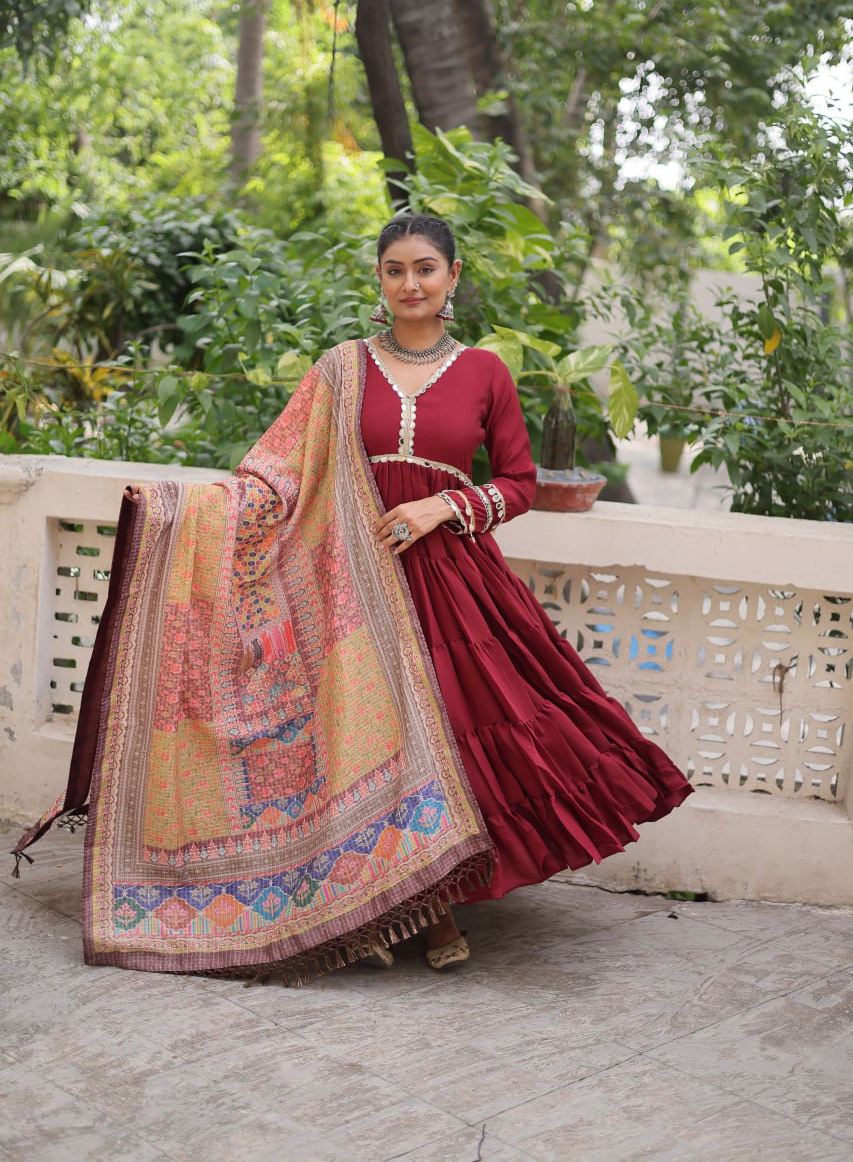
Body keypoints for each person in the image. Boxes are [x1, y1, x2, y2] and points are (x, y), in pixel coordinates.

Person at [13, 214, 692, 981]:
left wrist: (443, 506)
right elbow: (276, 471)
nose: (411, 283)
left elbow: (519, 483)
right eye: (395, 269)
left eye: (425, 268)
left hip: (450, 583)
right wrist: (178, 510)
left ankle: (435, 900)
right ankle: (399, 906)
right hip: (344, 585)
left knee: (456, 729)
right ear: (379, 278)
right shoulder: (341, 368)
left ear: (453, 276)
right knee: (365, 743)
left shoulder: (484, 372)